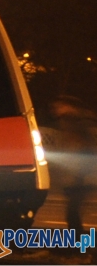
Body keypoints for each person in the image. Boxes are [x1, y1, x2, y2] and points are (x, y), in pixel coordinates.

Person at [50, 95, 97, 232]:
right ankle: (79, 248)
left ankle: (79, 249)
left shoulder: (80, 123)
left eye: (59, 106)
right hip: (75, 177)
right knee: (73, 215)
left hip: (80, 178)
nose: (55, 110)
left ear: (70, 106)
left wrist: (81, 175)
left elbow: (87, 150)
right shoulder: (69, 122)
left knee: (72, 214)